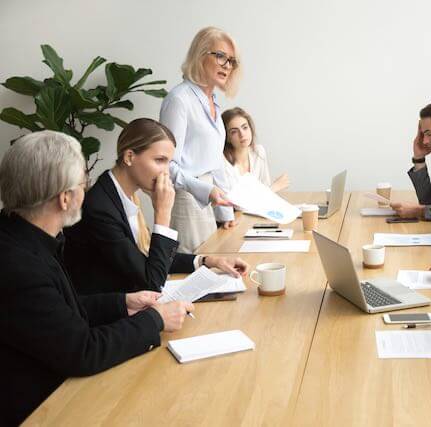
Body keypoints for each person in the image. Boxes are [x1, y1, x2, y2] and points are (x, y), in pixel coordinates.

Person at [0, 131, 193, 425]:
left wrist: (123, 304)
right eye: (83, 183)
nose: (87, 190)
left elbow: (60, 313)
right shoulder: (20, 264)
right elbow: (82, 351)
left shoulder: (21, 235)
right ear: (65, 198)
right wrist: (156, 320)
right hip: (43, 408)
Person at [64, 118, 249, 295]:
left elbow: (148, 259)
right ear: (129, 157)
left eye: (169, 162)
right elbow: (152, 281)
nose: (166, 171)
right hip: (107, 317)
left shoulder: (126, 194)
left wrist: (207, 261)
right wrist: (163, 214)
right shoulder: (100, 207)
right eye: (160, 160)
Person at [160, 26, 242, 253]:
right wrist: (206, 191)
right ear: (200, 55)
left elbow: (215, 162)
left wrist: (225, 213)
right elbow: (166, 164)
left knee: (214, 266)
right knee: (192, 271)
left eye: (231, 61)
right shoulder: (179, 100)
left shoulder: (212, 101)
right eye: (221, 56)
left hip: (208, 199)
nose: (227, 65)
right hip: (186, 199)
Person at [221, 107, 290, 192]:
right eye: (234, 132)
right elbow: (236, 203)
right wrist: (275, 187)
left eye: (245, 127)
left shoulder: (258, 151)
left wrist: (270, 190)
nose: (242, 134)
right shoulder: (223, 163)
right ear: (227, 138)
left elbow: (266, 191)